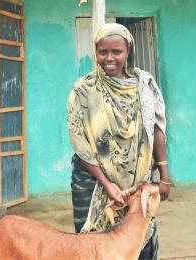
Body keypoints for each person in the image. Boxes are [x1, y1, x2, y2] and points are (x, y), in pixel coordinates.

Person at [67, 23, 171, 259]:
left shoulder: (144, 85)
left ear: (128, 51)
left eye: (117, 52)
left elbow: (156, 129)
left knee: (139, 242)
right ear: (96, 52)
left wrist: (164, 176)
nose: (109, 58)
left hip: (138, 181)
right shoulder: (84, 89)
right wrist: (107, 184)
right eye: (103, 52)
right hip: (92, 181)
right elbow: (80, 143)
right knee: (92, 247)